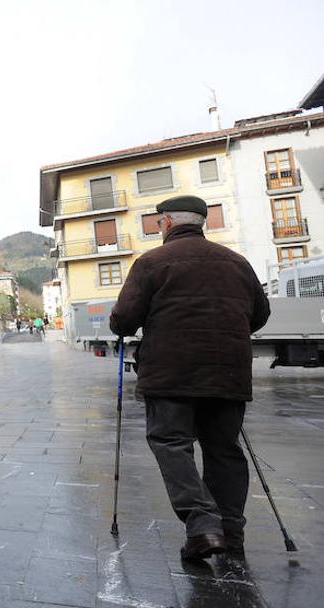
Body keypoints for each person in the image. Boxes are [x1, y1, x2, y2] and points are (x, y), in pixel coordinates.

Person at [110, 195, 270, 561]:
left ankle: (202, 525)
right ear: (203, 223)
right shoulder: (238, 263)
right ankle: (230, 532)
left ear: (166, 223)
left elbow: (123, 320)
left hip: (171, 373)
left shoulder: (151, 263)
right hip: (228, 373)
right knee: (224, 450)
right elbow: (260, 315)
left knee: (170, 442)